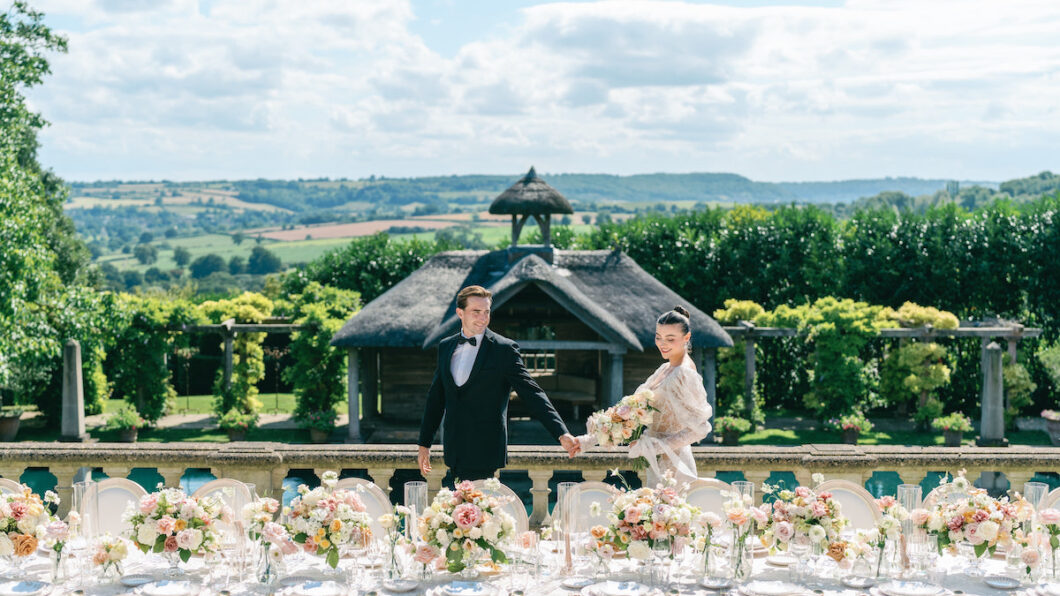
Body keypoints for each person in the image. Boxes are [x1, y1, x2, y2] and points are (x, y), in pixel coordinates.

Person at [417, 285, 581, 482]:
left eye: (486, 311)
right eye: (476, 311)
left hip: (486, 449)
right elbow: (436, 398)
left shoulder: (504, 349)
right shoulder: (446, 347)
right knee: (461, 509)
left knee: (479, 509)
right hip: (454, 448)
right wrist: (424, 444)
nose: (483, 317)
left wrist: (562, 433)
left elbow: (532, 393)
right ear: (460, 313)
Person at [578, 306, 712, 487]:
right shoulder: (665, 369)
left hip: (675, 465)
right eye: (658, 337)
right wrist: (587, 441)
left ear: (686, 338)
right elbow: (631, 410)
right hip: (654, 462)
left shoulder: (684, 373)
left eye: (670, 339)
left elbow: (699, 429)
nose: (662, 343)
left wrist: (654, 446)